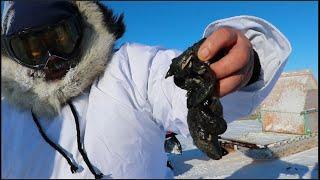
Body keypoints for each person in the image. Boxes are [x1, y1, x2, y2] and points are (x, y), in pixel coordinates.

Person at [1, 1, 291, 179]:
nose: (52, 58)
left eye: (61, 38)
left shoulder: (129, 69)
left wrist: (236, 62)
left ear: (82, 28)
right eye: (32, 50)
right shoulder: (6, 116)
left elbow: (174, 86)